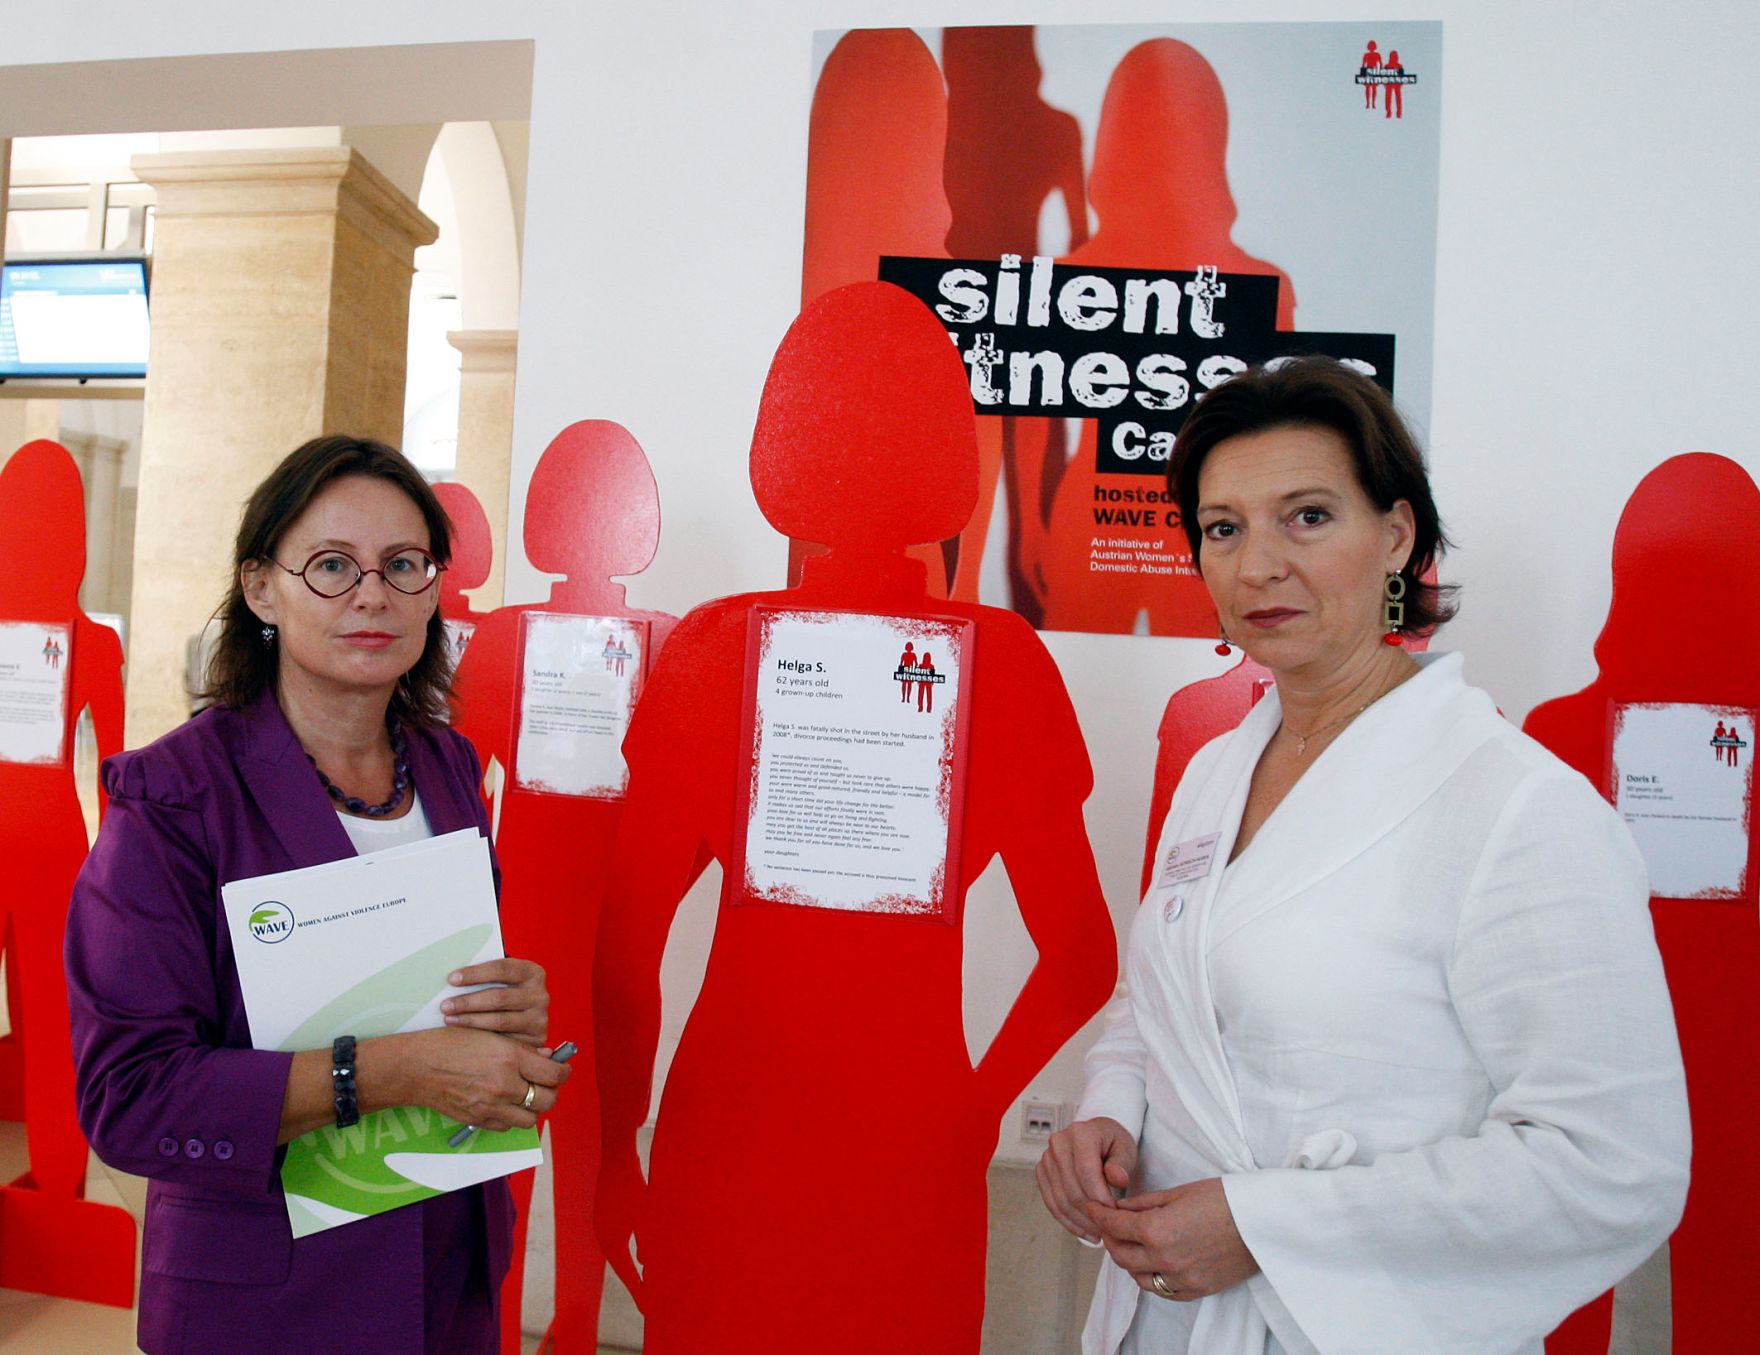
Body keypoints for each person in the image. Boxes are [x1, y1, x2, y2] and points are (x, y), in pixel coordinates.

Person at [1036, 358, 1689, 1355]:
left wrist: (1267, 1225)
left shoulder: (1516, 806)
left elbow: (1610, 1161)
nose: (1257, 564)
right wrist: (1106, 1107)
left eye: (1305, 516)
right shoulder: (1215, 771)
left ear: (1395, 534)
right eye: (1222, 527)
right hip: (1164, 1315)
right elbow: (1162, 994)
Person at [64, 435, 571, 1355]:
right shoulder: (172, 799)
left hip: (444, 1267)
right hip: (269, 1298)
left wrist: (508, 1009)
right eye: (332, 565)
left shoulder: (450, 767)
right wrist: (390, 1071)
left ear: (433, 589)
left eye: (403, 564)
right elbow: (130, 1098)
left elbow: (445, 984)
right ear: (262, 588)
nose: (372, 594)